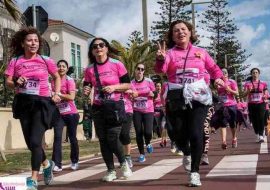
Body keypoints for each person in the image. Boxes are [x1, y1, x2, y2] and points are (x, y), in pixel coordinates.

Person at [155, 20, 224, 187]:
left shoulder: (201, 52)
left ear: (190, 32)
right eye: (176, 31)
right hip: (176, 96)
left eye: (183, 29)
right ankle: (186, 151)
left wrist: (218, 80)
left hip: (198, 97)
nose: (180, 32)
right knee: (177, 132)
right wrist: (160, 59)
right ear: (172, 36)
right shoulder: (170, 53)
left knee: (196, 132)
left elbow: (214, 69)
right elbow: (160, 71)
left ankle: (194, 172)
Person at [5, 27, 62, 190]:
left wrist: (57, 93)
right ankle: (47, 164)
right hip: (24, 103)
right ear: (23, 43)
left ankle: (33, 179)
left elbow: (56, 76)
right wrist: (16, 81)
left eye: (36, 40)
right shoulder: (15, 61)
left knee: (36, 141)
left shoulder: (46, 60)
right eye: (30, 40)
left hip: (42, 103)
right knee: (31, 143)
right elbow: (8, 82)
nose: (33, 43)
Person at [83, 37, 132, 182]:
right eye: (95, 46)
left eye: (101, 45)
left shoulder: (117, 64)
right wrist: (86, 90)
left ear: (107, 48)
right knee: (103, 140)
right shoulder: (89, 69)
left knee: (112, 137)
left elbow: (128, 85)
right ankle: (110, 170)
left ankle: (123, 163)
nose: (98, 48)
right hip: (98, 107)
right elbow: (87, 86)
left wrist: (114, 87)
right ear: (92, 51)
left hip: (115, 106)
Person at [51, 59, 80, 172]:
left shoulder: (70, 80)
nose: (61, 68)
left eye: (63, 66)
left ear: (67, 69)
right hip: (59, 114)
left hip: (72, 114)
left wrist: (59, 95)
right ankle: (57, 164)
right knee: (57, 138)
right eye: (59, 66)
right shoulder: (53, 81)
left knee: (72, 138)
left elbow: (71, 97)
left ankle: (74, 161)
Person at [131, 63, 155, 162]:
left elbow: (154, 93)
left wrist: (152, 94)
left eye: (142, 69)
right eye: (138, 69)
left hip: (148, 110)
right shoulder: (131, 83)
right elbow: (129, 95)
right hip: (136, 110)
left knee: (148, 132)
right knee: (139, 133)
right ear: (135, 70)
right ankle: (141, 154)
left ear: (144, 71)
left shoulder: (149, 81)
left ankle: (148, 142)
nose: (140, 71)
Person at [243, 68, 268, 143]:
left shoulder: (263, 83)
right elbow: (244, 94)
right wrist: (248, 91)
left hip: (261, 103)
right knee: (254, 120)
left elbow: (266, 92)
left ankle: (261, 135)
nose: (255, 74)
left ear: (259, 74)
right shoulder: (247, 84)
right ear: (251, 74)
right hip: (251, 104)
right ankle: (257, 132)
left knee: (261, 118)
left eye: (256, 72)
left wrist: (265, 96)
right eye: (253, 73)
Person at [216, 68, 239, 149]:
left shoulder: (232, 82)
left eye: (225, 73)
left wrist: (229, 90)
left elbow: (237, 93)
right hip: (222, 106)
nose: (223, 75)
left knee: (232, 124)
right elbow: (218, 93)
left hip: (232, 105)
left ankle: (234, 138)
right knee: (223, 124)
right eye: (221, 74)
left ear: (227, 74)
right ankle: (224, 142)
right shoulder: (218, 83)